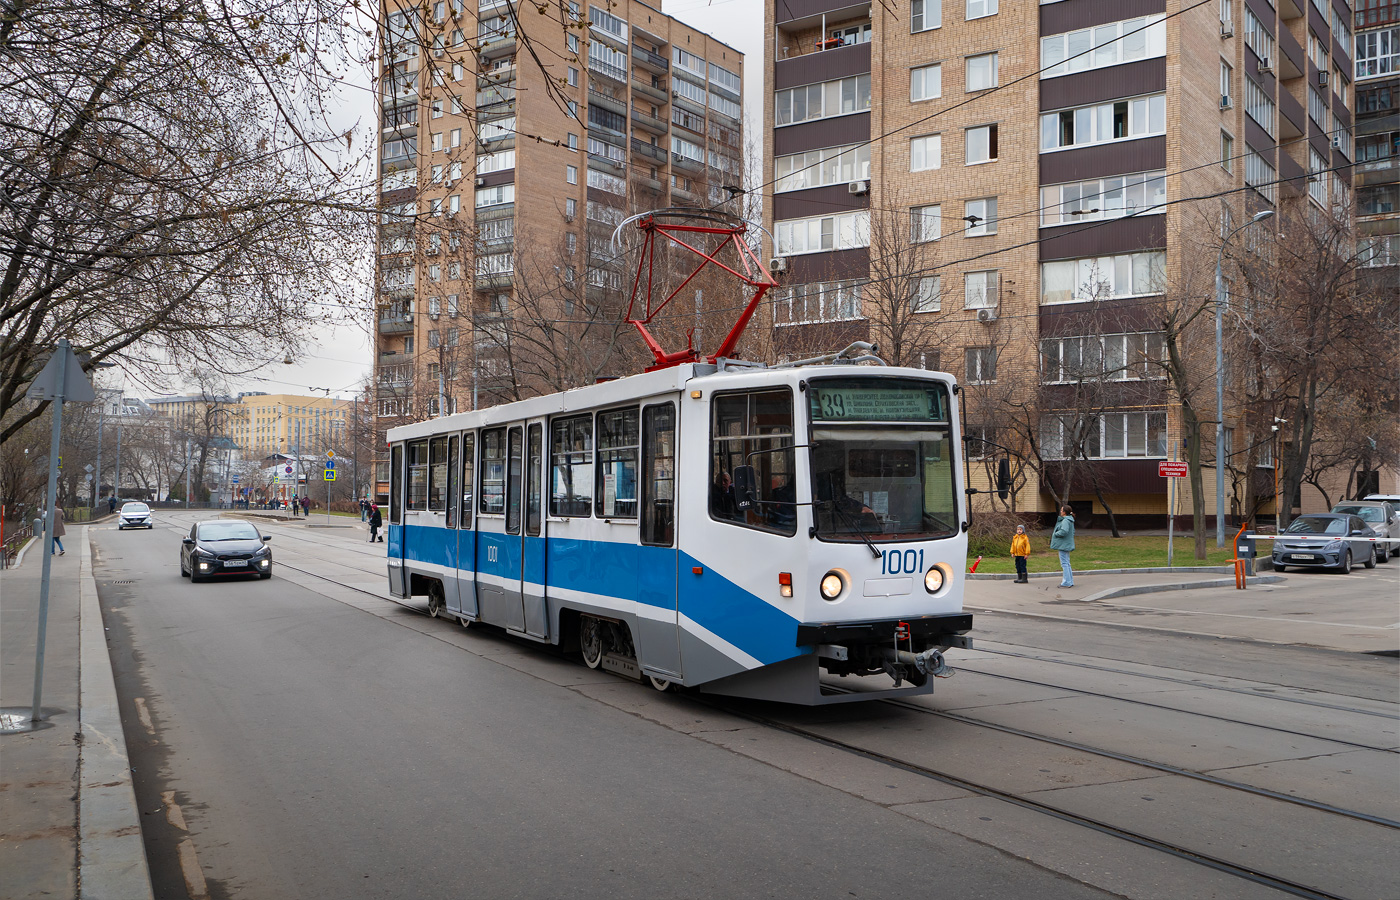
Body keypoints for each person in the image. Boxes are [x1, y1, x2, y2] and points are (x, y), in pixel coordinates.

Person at [1050, 505, 1075, 588]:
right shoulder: (1070, 520)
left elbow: (1063, 531)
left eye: (1061, 510)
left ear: (1064, 512)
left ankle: (1066, 582)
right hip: (1067, 544)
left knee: (1064, 563)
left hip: (1063, 545)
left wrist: (1055, 534)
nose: (1060, 511)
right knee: (1067, 563)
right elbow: (1072, 532)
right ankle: (1070, 581)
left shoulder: (1065, 521)